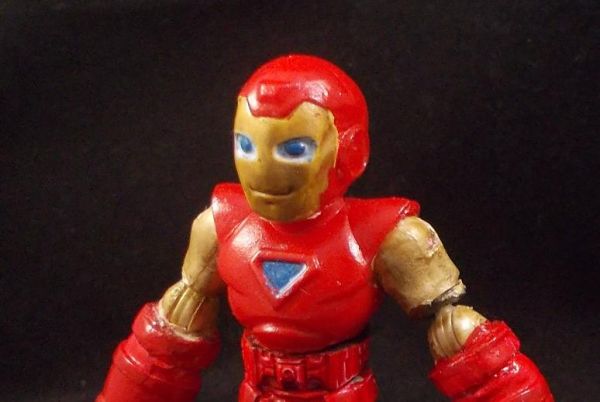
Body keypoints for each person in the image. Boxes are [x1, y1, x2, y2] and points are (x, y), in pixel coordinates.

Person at [97, 54, 553, 402]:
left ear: (348, 151)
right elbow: (163, 347)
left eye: (293, 149)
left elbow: (468, 346)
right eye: (245, 144)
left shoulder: (383, 236)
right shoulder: (222, 226)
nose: (261, 168)